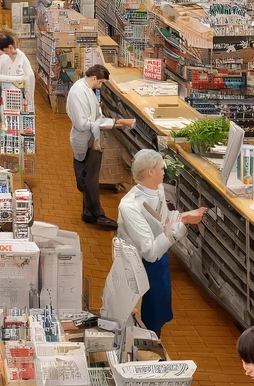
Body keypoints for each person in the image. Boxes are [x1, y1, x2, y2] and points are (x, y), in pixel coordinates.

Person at [117, 150, 205, 335]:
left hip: (159, 268)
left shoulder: (157, 189)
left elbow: (163, 222)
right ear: (150, 172)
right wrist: (183, 223)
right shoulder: (129, 207)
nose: (164, 170)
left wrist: (183, 216)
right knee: (141, 328)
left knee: (157, 323)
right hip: (140, 270)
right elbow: (150, 251)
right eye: (160, 167)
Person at [68, 64, 134, 229]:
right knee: (88, 180)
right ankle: (97, 215)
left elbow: (96, 116)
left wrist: (114, 123)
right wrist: (116, 123)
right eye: (101, 82)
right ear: (94, 78)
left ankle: (89, 213)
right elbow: (83, 124)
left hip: (91, 139)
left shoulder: (88, 90)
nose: (101, 85)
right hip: (84, 140)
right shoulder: (78, 92)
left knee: (90, 177)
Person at [0, 32, 35, 109]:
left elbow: (24, 78)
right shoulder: (6, 58)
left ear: (10, 47)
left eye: (1, 51)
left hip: (20, 99)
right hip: (7, 98)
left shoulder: (21, 59)